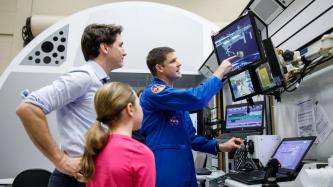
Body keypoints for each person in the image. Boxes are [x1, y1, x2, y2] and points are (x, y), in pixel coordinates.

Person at [16, 23, 126, 187]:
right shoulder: (84, 77)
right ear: (105, 48)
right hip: (74, 179)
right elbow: (28, 108)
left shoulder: (100, 81)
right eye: (120, 45)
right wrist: (60, 160)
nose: (124, 51)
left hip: (93, 175)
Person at [140, 47, 243, 187]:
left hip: (185, 169)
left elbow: (191, 138)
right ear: (159, 67)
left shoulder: (174, 100)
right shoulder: (154, 93)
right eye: (173, 61)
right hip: (165, 169)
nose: (179, 63)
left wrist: (220, 146)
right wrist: (220, 71)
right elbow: (197, 98)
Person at [79, 82, 155, 187]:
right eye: (139, 104)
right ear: (130, 109)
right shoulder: (140, 153)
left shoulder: (95, 147)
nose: (142, 109)